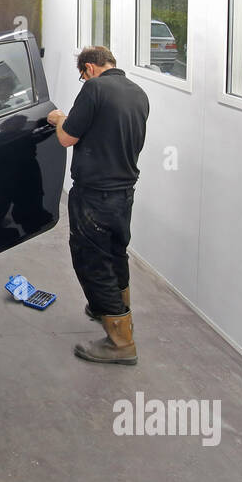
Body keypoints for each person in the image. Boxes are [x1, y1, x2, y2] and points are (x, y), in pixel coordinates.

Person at [46, 46, 149, 365]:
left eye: (81, 75)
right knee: (116, 254)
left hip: (95, 194)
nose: (83, 80)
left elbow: (66, 138)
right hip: (124, 191)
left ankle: (120, 342)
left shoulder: (94, 88)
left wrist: (58, 118)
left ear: (89, 68)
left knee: (92, 261)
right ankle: (113, 310)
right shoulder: (138, 92)